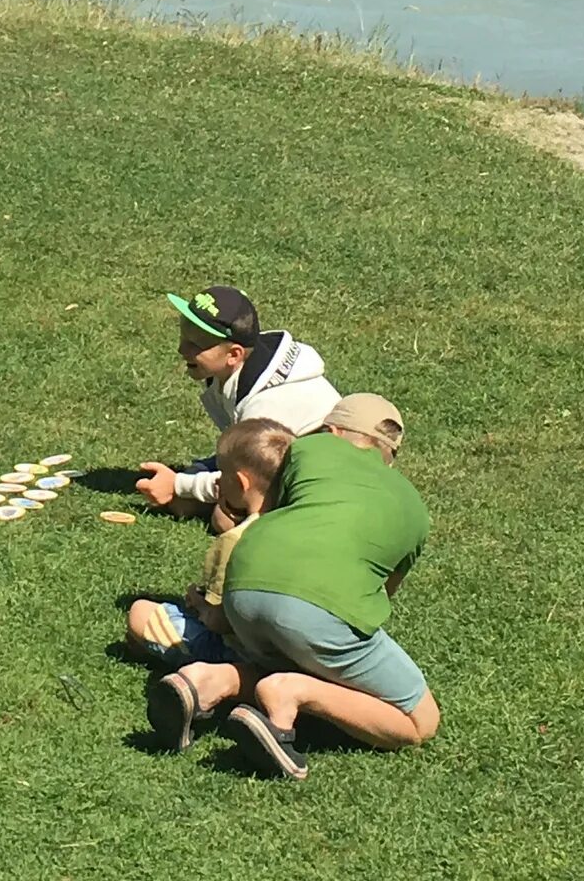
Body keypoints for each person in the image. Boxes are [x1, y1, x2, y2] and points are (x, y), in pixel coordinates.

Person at [144, 422, 437, 780]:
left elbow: (259, 499)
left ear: (332, 430)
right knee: (420, 721)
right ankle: (291, 694)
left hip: (246, 581)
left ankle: (211, 680)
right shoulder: (413, 506)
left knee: (293, 653)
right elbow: (383, 595)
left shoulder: (310, 450)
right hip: (317, 606)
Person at [135, 285, 341, 516]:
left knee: (221, 517)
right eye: (184, 336)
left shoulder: (266, 406)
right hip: (281, 465)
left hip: (327, 483)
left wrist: (178, 484)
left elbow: (250, 478)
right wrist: (199, 470)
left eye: (196, 344)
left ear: (234, 354)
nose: (182, 349)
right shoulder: (228, 373)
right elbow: (241, 455)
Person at [124, 418, 290, 664]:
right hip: (289, 647)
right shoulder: (298, 523)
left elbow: (220, 621)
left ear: (241, 483)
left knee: (140, 613)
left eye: (222, 475)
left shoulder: (236, 541)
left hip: (241, 652)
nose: (218, 482)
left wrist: (199, 604)